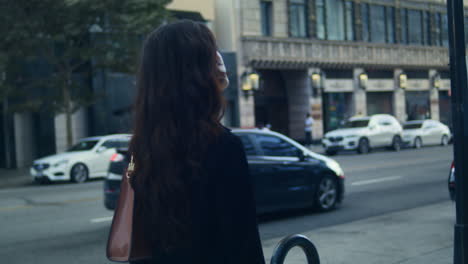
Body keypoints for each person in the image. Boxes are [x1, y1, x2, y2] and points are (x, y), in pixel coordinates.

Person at [128, 21, 265, 264]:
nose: (219, 61)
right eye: (212, 56)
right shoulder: (223, 147)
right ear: (200, 73)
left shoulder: (142, 149)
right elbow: (243, 245)